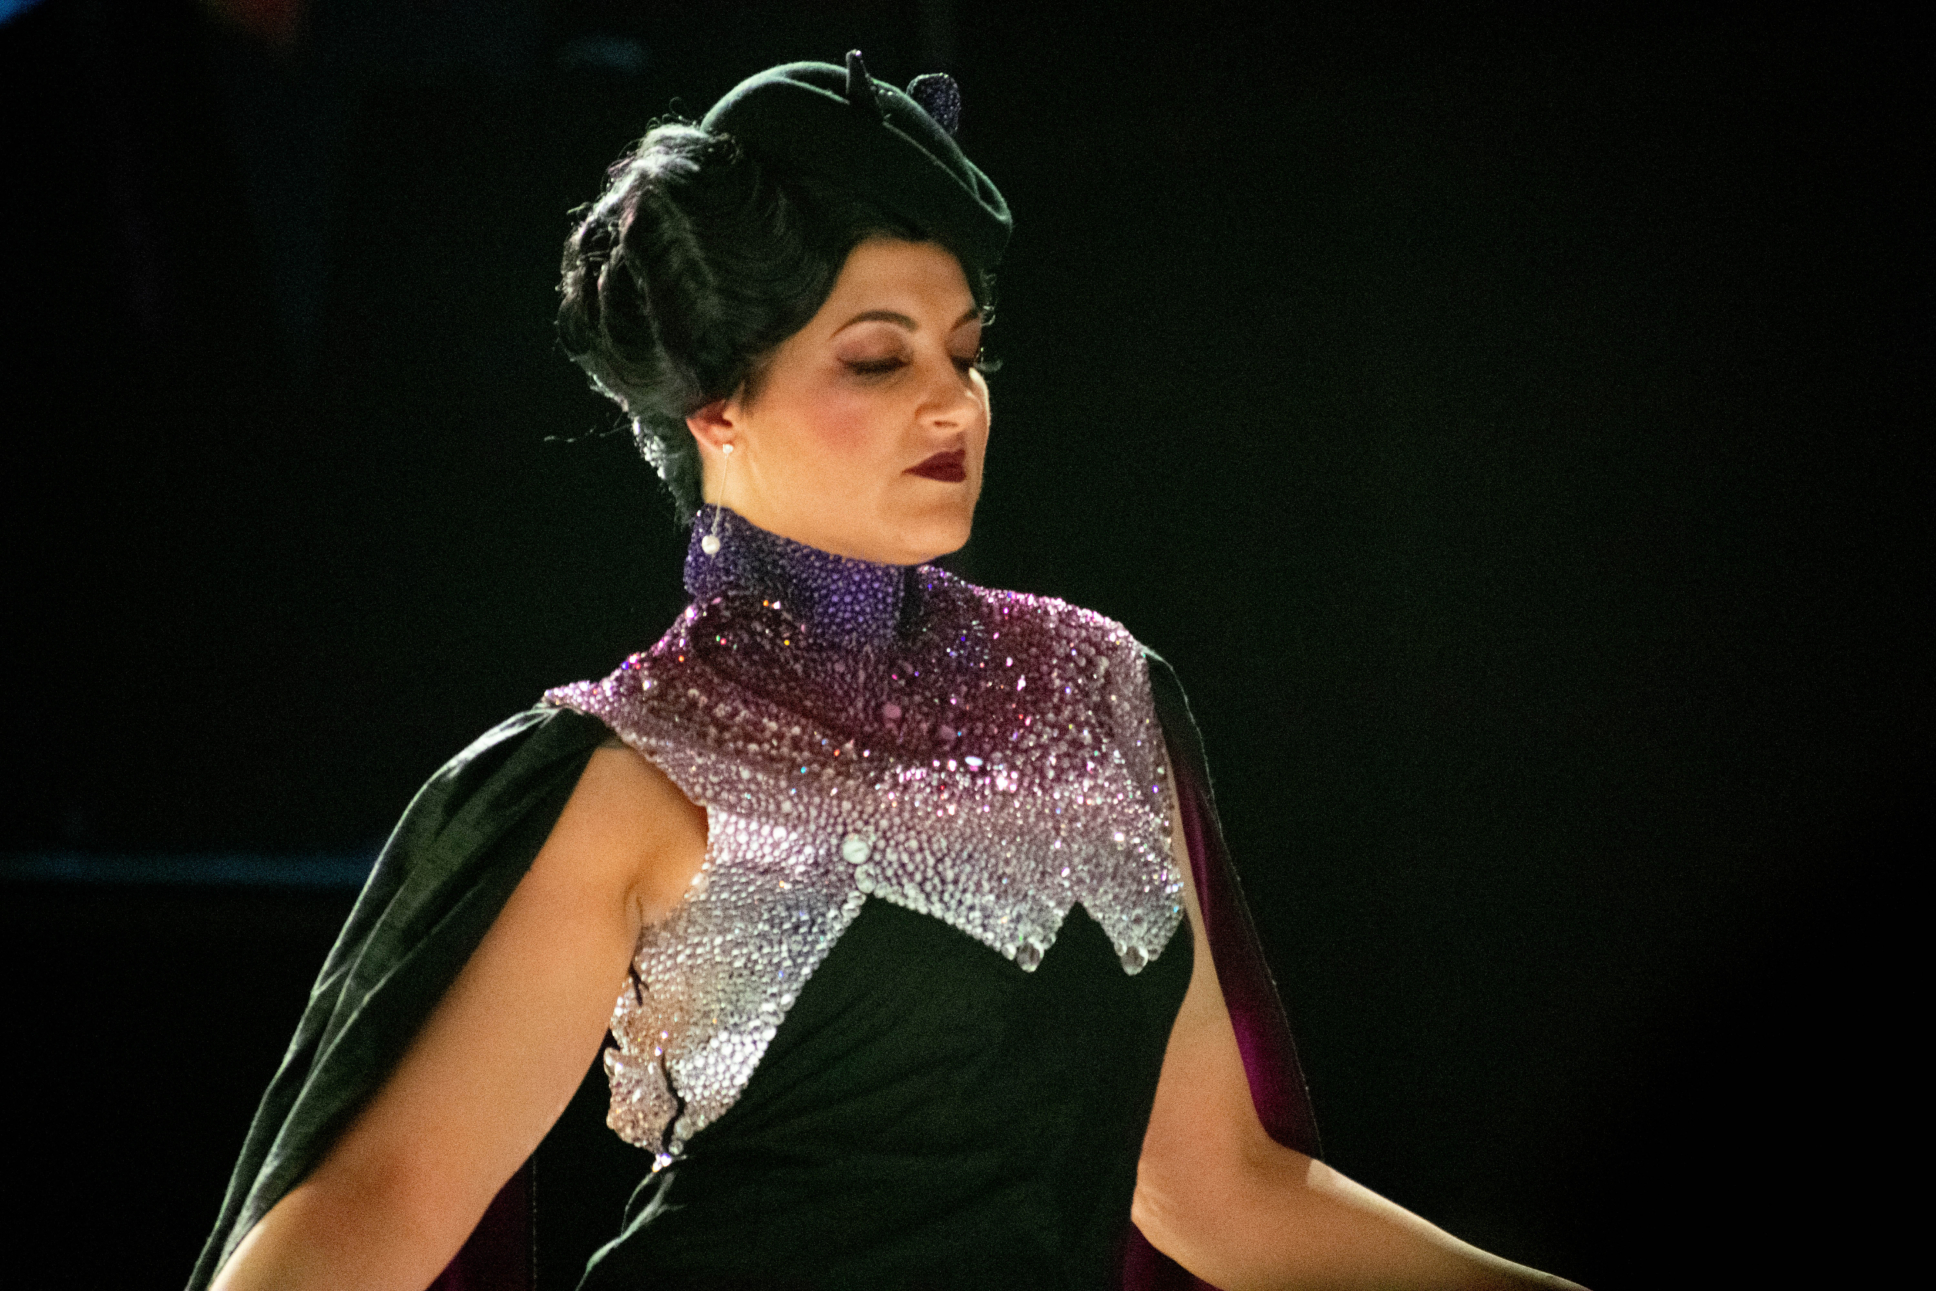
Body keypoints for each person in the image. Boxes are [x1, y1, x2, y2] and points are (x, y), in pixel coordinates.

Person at [193, 55, 1583, 1291]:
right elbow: (376, 1211)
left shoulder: (1101, 689)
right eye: (876, 358)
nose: (950, 400)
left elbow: (1223, 1192)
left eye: (968, 352)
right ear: (715, 405)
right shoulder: (637, 773)